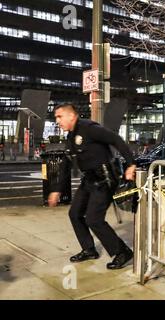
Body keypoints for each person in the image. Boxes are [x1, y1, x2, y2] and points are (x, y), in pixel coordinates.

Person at [48, 104, 136, 269]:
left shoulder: (89, 128)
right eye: (56, 117)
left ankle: (122, 252)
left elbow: (116, 139)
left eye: (59, 116)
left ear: (71, 116)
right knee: (75, 214)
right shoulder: (70, 137)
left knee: (93, 219)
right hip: (89, 179)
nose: (57, 120)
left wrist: (131, 164)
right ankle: (89, 250)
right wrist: (57, 190)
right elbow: (66, 165)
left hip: (105, 179)